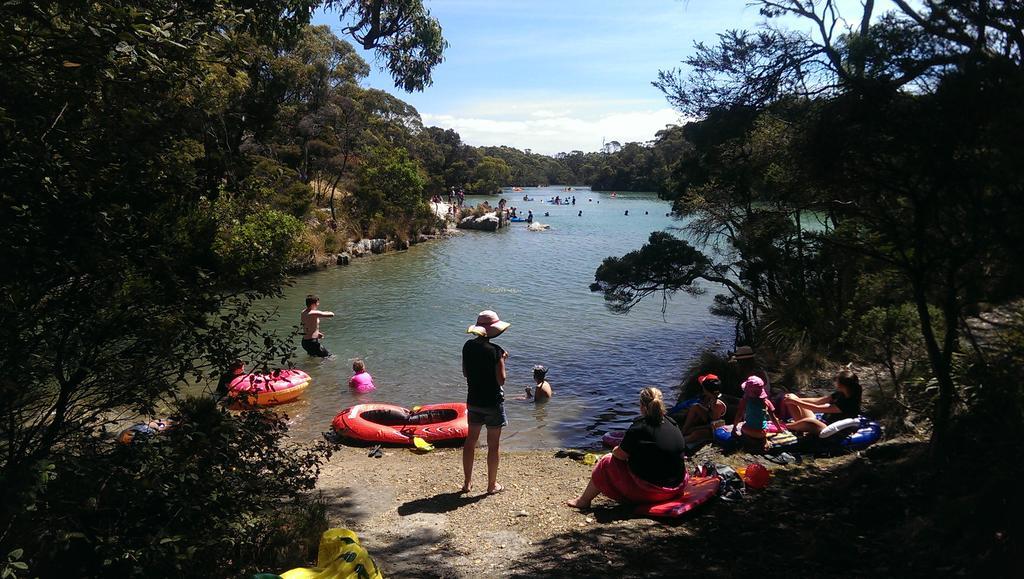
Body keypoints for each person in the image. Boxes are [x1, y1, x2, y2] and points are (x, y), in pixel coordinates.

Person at [568, 387, 687, 509]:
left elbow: (619, 455)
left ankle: (583, 500)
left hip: (656, 493)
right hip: (678, 486)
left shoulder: (639, 428)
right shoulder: (672, 422)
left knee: (606, 461)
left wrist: (614, 449)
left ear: (641, 406)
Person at [461, 310, 511, 494]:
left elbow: (466, 372)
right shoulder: (496, 351)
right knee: (493, 445)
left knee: (470, 441)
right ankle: (491, 485)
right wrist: (502, 360)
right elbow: (501, 380)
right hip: (492, 403)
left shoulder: (467, 346)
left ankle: (467, 483)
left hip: (473, 400)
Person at [781, 367, 862, 434]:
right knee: (791, 396)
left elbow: (817, 408)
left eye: (837, 381)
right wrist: (795, 399)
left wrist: (795, 401)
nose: (835, 383)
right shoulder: (840, 393)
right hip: (823, 421)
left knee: (808, 421)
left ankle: (783, 426)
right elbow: (818, 401)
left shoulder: (849, 403)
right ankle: (798, 427)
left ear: (843, 385)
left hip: (829, 428)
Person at [732, 376, 786, 452]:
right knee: (765, 425)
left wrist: (734, 428)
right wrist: (779, 429)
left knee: (742, 426)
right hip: (762, 433)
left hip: (749, 431)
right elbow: (773, 417)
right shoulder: (766, 402)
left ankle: (751, 441)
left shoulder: (745, 401)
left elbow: (739, 414)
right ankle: (764, 439)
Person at [679, 374, 727, 448]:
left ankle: (678, 442)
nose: (702, 389)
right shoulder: (712, 396)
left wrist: (696, 428)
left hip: (720, 427)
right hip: (712, 419)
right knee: (695, 407)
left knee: (696, 433)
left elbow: (715, 425)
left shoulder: (717, 405)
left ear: (707, 390)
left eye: (703, 387)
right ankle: (684, 430)